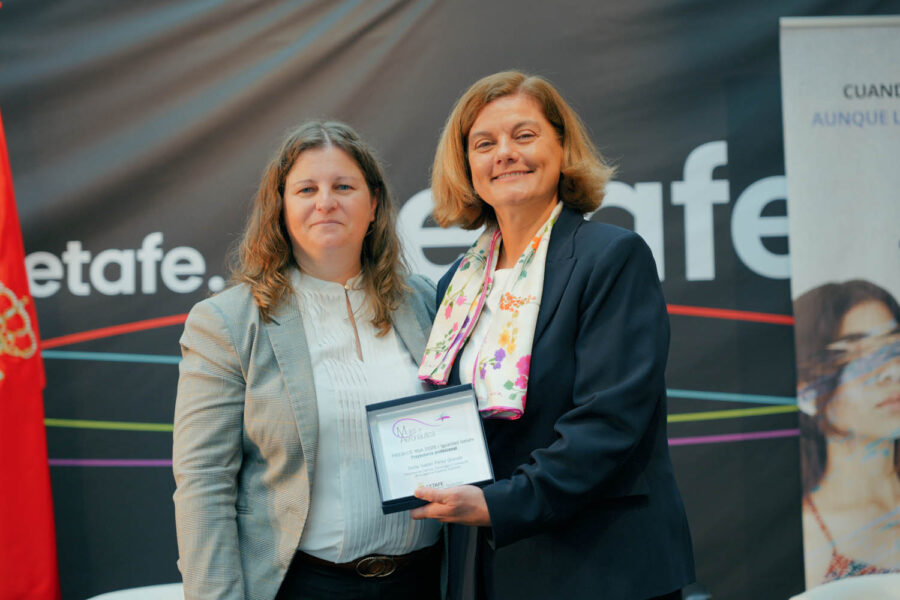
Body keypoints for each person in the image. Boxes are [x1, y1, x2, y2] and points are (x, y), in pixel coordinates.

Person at [411, 70, 695, 600]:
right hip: (487, 567)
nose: (505, 154)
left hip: (600, 566)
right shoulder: (456, 284)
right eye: (484, 143)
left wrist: (500, 504)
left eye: (525, 135)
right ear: (467, 165)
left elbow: (609, 422)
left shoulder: (611, 257)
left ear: (562, 148)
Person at [172, 121, 442, 600]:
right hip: (303, 586)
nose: (326, 202)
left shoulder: (423, 301)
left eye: (343, 186)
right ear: (281, 206)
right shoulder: (229, 322)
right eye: (306, 189)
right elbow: (204, 484)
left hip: (425, 580)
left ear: (374, 203)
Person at [794, 280, 900, 587]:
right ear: (807, 389)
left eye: (894, 348)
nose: (891, 371)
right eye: (860, 356)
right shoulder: (810, 533)